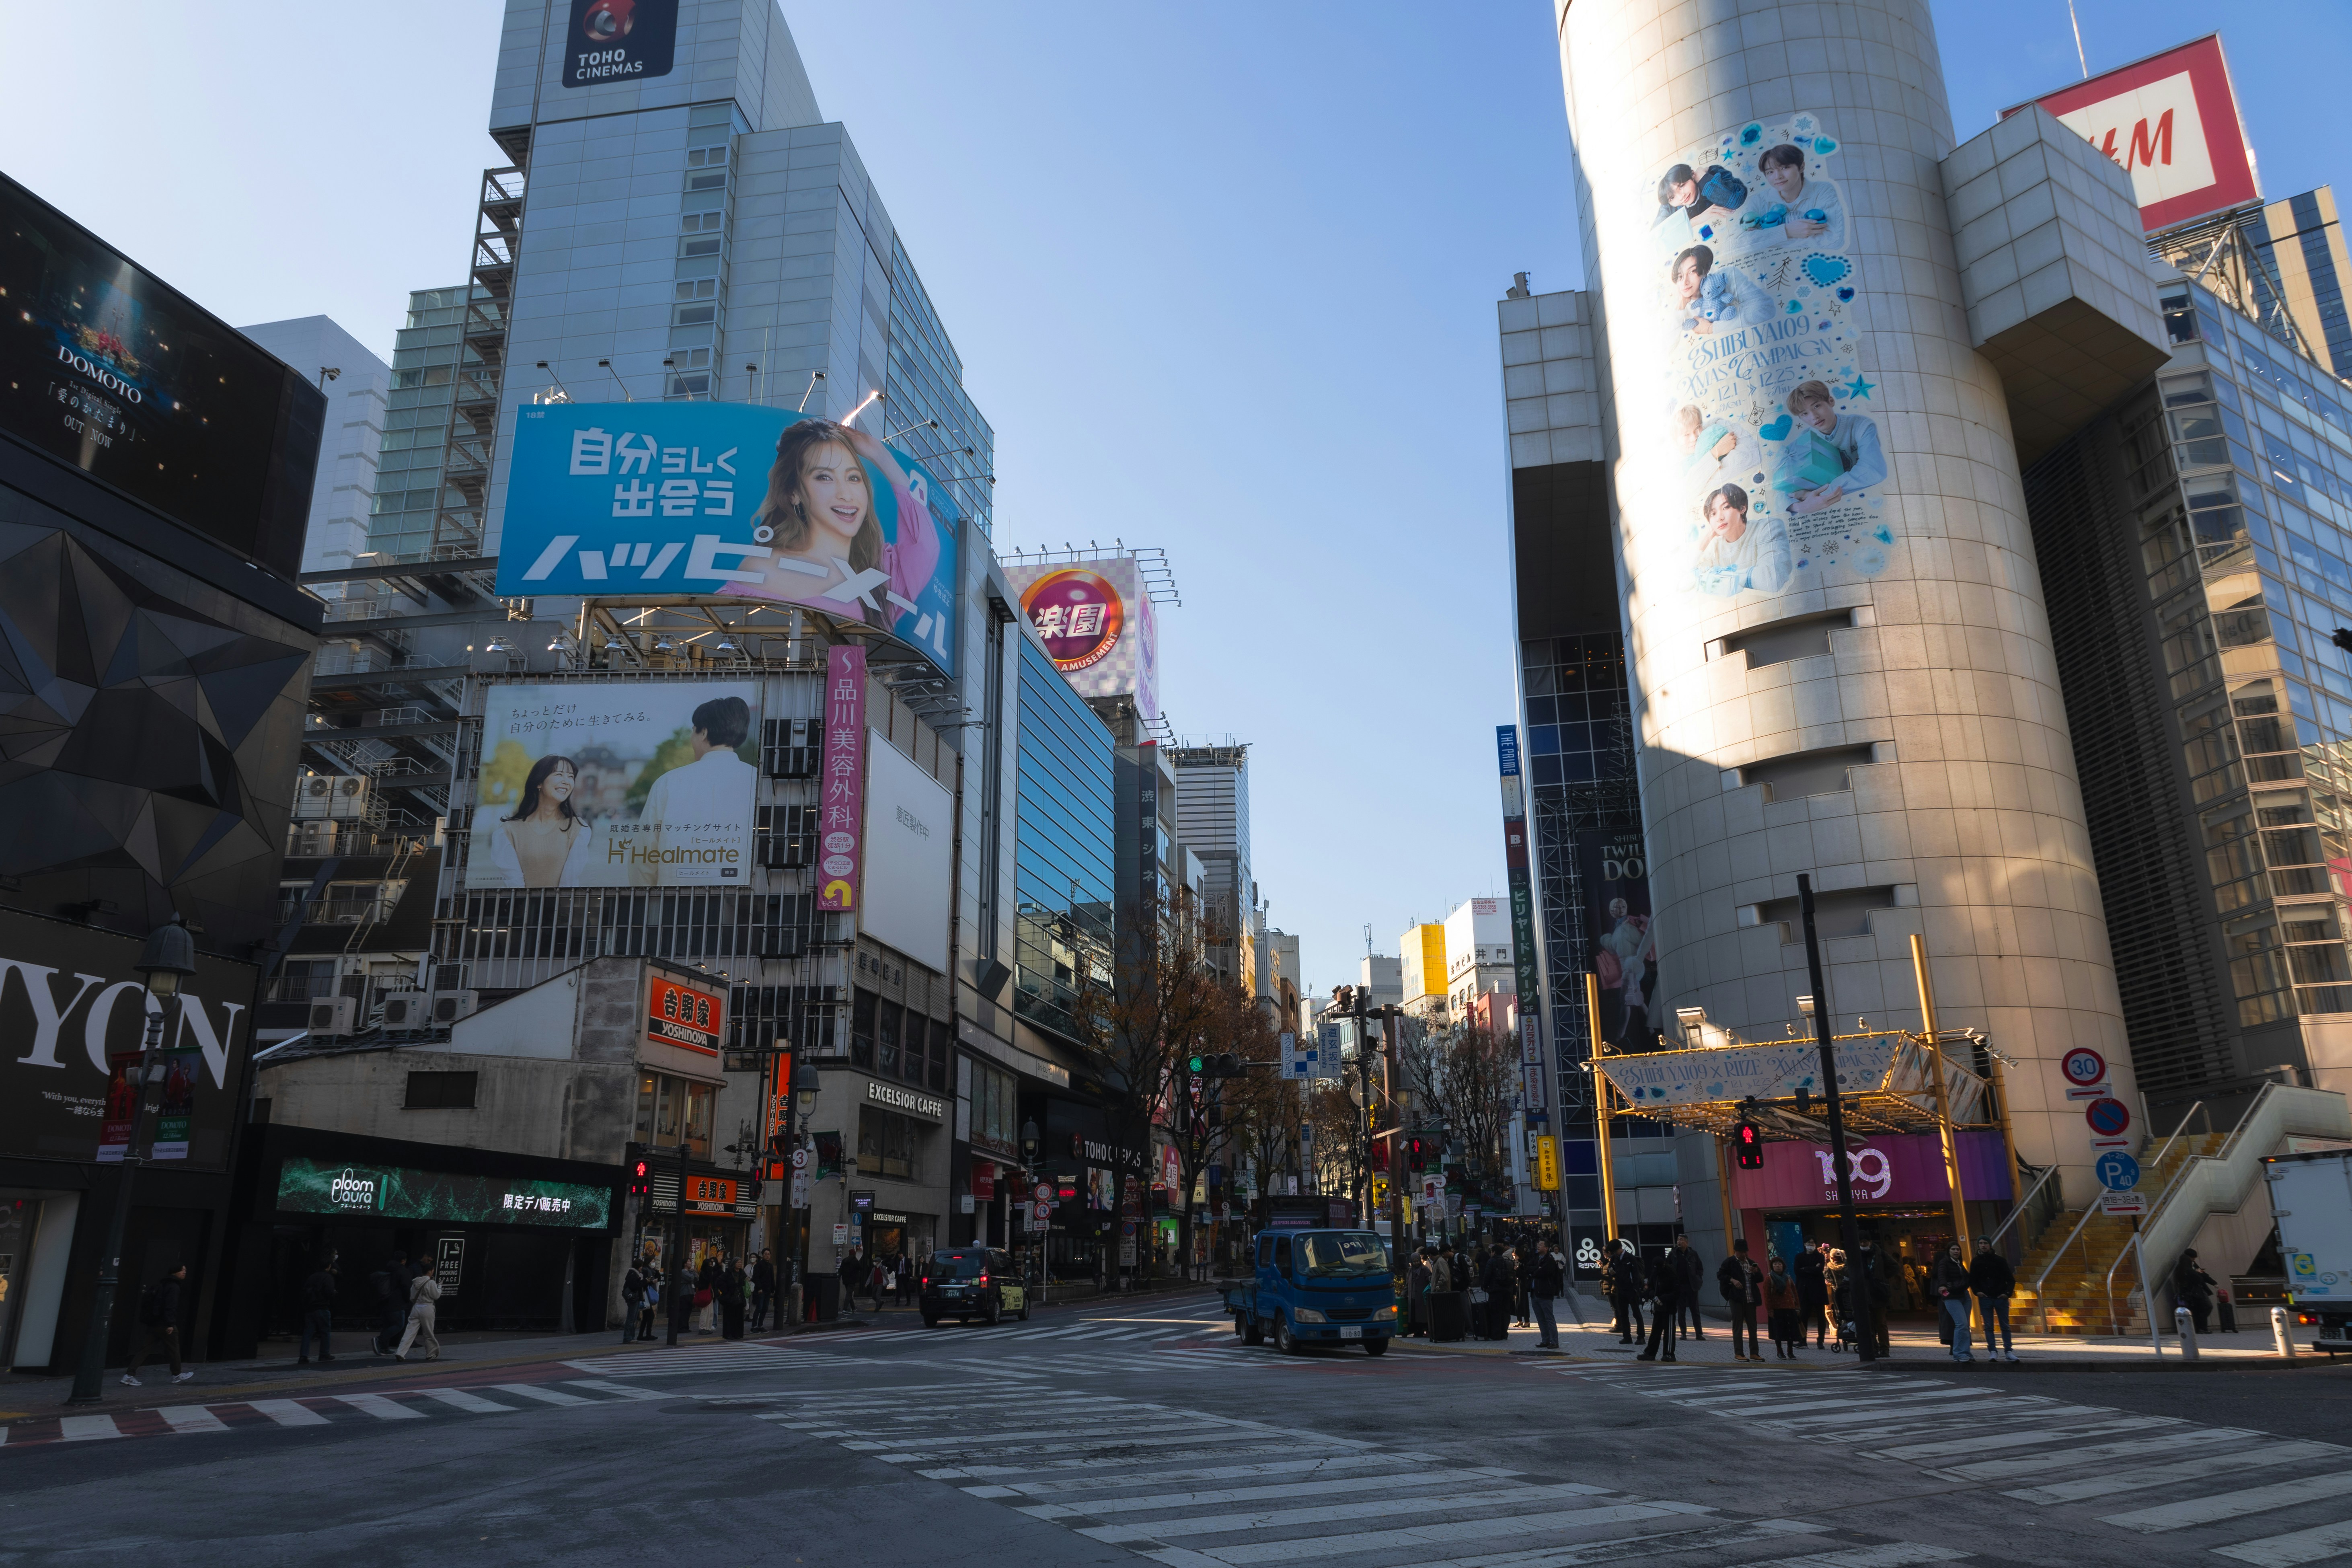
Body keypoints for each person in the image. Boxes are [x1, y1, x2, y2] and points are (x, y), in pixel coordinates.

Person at [732, 417, 943, 637]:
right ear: (793, 493)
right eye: (824, 477)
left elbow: (926, 548)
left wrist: (881, 456)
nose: (846, 494)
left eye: (853, 478)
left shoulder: (880, 570)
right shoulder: (762, 569)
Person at [637, 697, 757, 886]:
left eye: (693, 731)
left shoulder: (668, 783)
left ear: (703, 733)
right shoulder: (758, 781)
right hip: (745, 900)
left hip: (675, 900)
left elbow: (644, 856)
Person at [1773, 380, 1888, 518]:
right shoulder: (1805, 439)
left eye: (1817, 406)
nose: (1814, 416)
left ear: (1831, 401)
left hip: (1866, 507)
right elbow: (1780, 490)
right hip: (1828, 516)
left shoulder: (1861, 426)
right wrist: (1801, 506)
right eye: (1805, 414)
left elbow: (1874, 470)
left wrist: (1813, 496)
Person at [488, 754, 596, 887]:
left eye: (571, 777)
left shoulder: (578, 828)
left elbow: (569, 882)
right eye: (559, 774)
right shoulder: (508, 831)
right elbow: (514, 883)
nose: (566, 781)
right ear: (539, 782)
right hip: (520, 906)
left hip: (560, 906)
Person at [1693, 483, 1791, 598]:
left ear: (1742, 508)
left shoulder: (1768, 528)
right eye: (1713, 514)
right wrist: (1706, 540)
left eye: (1726, 507)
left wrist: (1718, 578)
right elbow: (1689, 579)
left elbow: (1773, 579)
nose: (1720, 518)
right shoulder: (1715, 546)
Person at [1746, 142, 1845, 248]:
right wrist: (1787, 231)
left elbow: (1833, 239)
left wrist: (1765, 238)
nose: (1778, 177)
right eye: (1770, 172)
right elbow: (1742, 243)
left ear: (1802, 167)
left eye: (1784, 168)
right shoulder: (1758, 200)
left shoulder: (1823, 190)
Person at [122, 1263, 194, 1386]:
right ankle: (177, 1375)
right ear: (175, 1272)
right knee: (174, 1349)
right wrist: (170, 1324)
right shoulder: (174, 1287)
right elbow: (170, 1307)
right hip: (165, 1324)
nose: (185, 1273)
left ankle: (129, 1375)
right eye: (183, 1271)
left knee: (145, 1350)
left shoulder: (163, 1284)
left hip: (154, 1323)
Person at [1969, 1237, 2019, 1362]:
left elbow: (2010, 1279)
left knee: (2005, 1326)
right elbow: (1973, 1280)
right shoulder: (1975, 1262)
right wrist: (1978, 1292)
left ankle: (2008, 1351)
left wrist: (2007, 1294)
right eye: (1980, 1243)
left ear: (1990, 1245)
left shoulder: (2000, 1261)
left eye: (1985, 1243)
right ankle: (1993, 1351)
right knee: (1989, 1326)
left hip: (2000, 1297)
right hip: (1985, 1297)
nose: (1983, 1246)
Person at [1717, 1239, 1765, 1361]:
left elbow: (1760, 1279)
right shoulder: (1729, 1262)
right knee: (1738, 1326)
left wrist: (1756, 1272)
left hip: (1751, 1299)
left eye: (1745, 1252)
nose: (1744, 1255)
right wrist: (1732, 1280)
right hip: (1737, 1299)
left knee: (1753, 1327)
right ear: (1736, 1251)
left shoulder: (1751, 1262)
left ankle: (1754, 1353)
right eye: (1741, 1252)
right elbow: (1720, 1275)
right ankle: (1739, 1353)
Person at [1932, 1241, 1976, 1362]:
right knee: (1961, 1325)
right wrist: (1943, 1285)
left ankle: (1966, 1353)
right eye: (1954, 1250)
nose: (1956, 1252)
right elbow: (1941, 1276)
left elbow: (1968, 1278)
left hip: (1964, 1296)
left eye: (1958, 1250)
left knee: (1965, 1326)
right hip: (1952, 1297)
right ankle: (1959, 1354)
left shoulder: (1959, 1263)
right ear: (1949, 1251)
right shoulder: (1944, 1262)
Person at [1637, 1247, 1681, 1362]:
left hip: (1669, 1307)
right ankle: (1650, 1353)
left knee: (1669, 1331)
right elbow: (1651, 1287)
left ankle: (1669, 1353)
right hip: (1658, 1307)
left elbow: (1676, 1292)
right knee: (1655, 1331)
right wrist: (1653, 1296)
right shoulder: (1656, 1273)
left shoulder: (1670, 1273)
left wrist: (1662, 1298)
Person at [392, 1265, 442, 1362]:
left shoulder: (415, 1282)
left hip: (416, 1308)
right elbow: (436, 1296)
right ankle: (431, 1353)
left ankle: (401, 1352)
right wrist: (439, 1287)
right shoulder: (431, 1282)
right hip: (427, 1308)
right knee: (428, 1333)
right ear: (430, 1272)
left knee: (410, 1332)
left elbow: (412, 1297)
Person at [299, 1252, 339, 1366]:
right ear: (329, 1266)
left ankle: (303, 1356)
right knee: (325, 1331)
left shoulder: (312, 1277)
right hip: (322, 1307)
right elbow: (330, 1293)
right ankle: (324, 1354)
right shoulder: (328, 1277)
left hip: (310, 1308)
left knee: (308, 1333)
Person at [1855, 1240, 1892, 1358]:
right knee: (1869, 1324)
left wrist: (1881, 1278)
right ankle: (1873, 1348)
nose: (1863, 1244)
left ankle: (1884, 1349)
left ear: (1870, 1242)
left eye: (1865, 1242)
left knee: (1881, 1323)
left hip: (1878, 1293)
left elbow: (1894, 1266)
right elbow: (1847, 1268)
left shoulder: (1880, 1253)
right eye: (1860, 1242)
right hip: (1864, 1294)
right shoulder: (1856, 1254)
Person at [1529, 1238, 1567, 1350]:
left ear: (1546, 1248)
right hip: (1535, 1293)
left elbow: (1543, 1273)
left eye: (1541, 1245)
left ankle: (1554, 1341)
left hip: (1545, 1293)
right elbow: (1527, 1268)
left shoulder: (1549, 1260)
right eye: (1538, 1244)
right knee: (1540, 1319)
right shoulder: (1537, 1258)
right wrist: (1536, 1270)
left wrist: (1535, 1271)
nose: (1538, 1246)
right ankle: (1545, 1340)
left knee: (1549, 1318)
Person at [371, 1254, 411, 1356]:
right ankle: (379, 1340)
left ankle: (384, 1348)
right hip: (397, 1303)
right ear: (403, 1261)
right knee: (399, 1325)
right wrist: (408, 1300)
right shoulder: (403, 1271)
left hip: (384, 1301)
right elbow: (406, 1288)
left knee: (387, 1325)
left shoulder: (388, 1268)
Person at [1765, 1255, 1804, 1359]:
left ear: (1783, 1266)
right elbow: (1767, 1295)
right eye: (1775, 1264)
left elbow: (1795, 1293)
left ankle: (1790, 1352)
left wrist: (1797, 1307)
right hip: (1777, 1310)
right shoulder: (1769, 1279)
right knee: (1778, 1332)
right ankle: (1780, 1351)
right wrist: (1770, 1310)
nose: (1778, 1266)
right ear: (1772, 1266)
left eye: (1780, 1264)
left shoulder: (1788, 1278)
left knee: (1791, 1332)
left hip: (1790, 1308)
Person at [1670, 1234, 1707, 1340]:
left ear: (1687, 1242)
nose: (1679, 1242)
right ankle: (1683, 1333)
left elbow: (1700, 1268)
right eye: (1678, 1240)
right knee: (1681, 1311)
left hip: (1692, 1286)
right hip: (1679, 1286)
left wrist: (1698, 1278)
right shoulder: (1673, 1254)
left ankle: (1699, 1334)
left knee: (1695, 1310)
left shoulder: (1693, 1254)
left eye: (1681, 1240)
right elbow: (1667, 1266)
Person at [1607, 1239, 1644, 1344]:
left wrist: (1636, 1289)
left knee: (1636, 1313)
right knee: (1623, 1314)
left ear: (1620, 1248)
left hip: (1631, 1289)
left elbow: (1636, 1275)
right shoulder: (1614, 1258)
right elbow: (1610, 1271)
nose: (1615, 1254)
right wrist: (1612, 1273)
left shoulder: (1630, 1258)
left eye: (1615, 1251)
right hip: (1621, 1289)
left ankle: (1641, 1336)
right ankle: (1627, 1337)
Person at [2175, 1248, 2219, 1336]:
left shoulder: (2184, 1267)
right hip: (2196, 1293)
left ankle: (2200, 1327)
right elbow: (2198, 1279)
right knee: (2205, 1308)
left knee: (2199, 1310)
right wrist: (2199, 1273)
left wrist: (2213, 1283)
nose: (2194, 1260)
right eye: (2193, 1258)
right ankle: (2202, 1328)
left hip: (2191, 1293)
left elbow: (2203, 1276)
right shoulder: (2188, 1268)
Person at [1794, 1241, 1829, 1348]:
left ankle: (1821, 1341)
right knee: (1804, 1316)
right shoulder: (1799, 1256)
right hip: (1804, 1290)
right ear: (1804, 1244)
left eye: (1813, 1243)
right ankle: (1803, 1340)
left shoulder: (1820, 1257)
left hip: (1818, 1290)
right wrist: (1813, 1269)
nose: (1810, 1246)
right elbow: (1797, 1271)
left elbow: (1820, 1270)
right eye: (1808, 1243)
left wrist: (1805, 1269)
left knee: (1821, 1316)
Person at [1483, 1243, 1519, 1342]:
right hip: (1507, 1291)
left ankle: (1496, 1334)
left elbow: (1487, 1275)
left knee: (1495, 1313)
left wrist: (1485, 1287)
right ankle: (1504, 1334)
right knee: (1505, 1312)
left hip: (1495, 1291)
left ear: (1494, 1252)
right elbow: (1514, 1279)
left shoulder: (1492, 1262)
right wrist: (1514, 1293)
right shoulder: (1508, 1262)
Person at [1823, 1248, 1852, 1352]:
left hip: (1837, 1292)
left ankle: (1841, 1330)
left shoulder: (1830, 1267)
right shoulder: (1847, 1267)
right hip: (1849, 1292)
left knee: (1839, 1312)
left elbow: (1826, 1276)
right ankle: (1851, 1330)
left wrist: (1833, 1283)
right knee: (1851, 1312)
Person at [622, 1258, 647, 1345]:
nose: (642, 1268)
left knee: (633, 1319)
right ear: (638, 1266)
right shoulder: (633, 1274)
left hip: (636, 1298)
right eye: (641, 1267)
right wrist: (644, 1281)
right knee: (631, 1319)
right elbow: (635, 1286)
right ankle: (628, 1338)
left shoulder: (635, 1274)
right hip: (633, 1298)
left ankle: (631, 1337)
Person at [721, 1256, 748, 1340]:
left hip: (740, 1298)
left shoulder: (742, 1273)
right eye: (738, 1263)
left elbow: (746, 1283)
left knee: (739, 1317)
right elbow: (720, 1282)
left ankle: (737, 1334)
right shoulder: (729, 1273)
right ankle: (729, 1334)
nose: (740, 1264)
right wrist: (726, 1292)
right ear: (734, 1264)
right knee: (730, 1317)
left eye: (741, 1262)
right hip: (731, 1298)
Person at [751, 1250, 777, 1332]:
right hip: (761, 1290)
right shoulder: (759, 1265)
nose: (768, 1256)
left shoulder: (770, 1266)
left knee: (765, 1308)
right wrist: (759, 1288)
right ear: (762, 1255)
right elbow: (756, 1278)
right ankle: (754, 1326)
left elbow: (772, 1278)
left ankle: (760, 1325)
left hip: (768, 1290)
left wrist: (773, 1289)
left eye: (769, 1254)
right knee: (759, 1308)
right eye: (766, 1254)